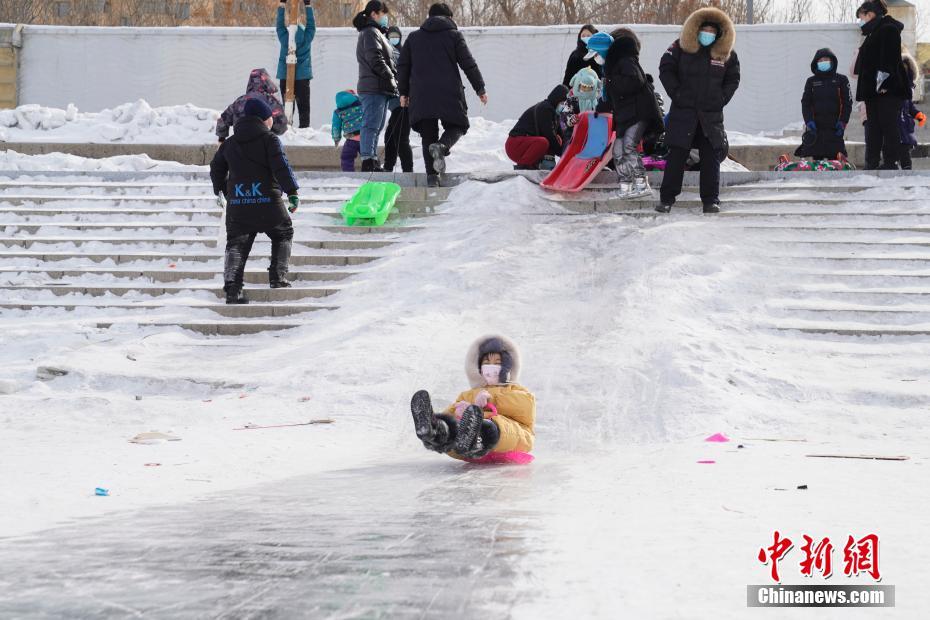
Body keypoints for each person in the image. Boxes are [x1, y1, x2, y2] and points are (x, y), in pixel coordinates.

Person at [210, 99, 300, 304]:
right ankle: (278, 277)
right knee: (283, 232)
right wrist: (292, 192)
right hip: (268, 201)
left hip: (239, 203)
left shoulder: (230, 143)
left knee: (236, 243)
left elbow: (216, 168)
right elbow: (281, 167)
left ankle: (233, 290)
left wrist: (223, 190)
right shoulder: (270, 140)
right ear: (264, 119)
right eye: (270, 118)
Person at [656, 7, 740, 214]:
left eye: (713, 31)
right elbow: (665, 69)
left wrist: (720, 99)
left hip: (710, 116)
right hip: (683, 113)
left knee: (710, 158)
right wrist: (677, 93)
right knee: (677, 156)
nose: (708, 34)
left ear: (719, 33)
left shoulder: (726, 54)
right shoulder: (679, 47)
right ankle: (667, 199)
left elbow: (733, 79)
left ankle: (710, 200)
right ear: (696, 29)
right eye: (705, 30)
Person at [397, 3, 486, 187]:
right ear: (449, 18)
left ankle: (432, 177)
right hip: (449, 92)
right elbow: (468, 63)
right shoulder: (454, 36)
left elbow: (403, 67)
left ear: (429, 17)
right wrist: (480, 88)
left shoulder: (413, 38)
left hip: (421, 94)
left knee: (428, 134)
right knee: (458, 125)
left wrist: (403, 92)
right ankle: (443, 146)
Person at [410, 335, 535, 461]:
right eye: (487, 363)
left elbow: (524, 406)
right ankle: (434, 432)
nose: (491, 367)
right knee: (453, 428)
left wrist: (490, 401)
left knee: (495, 426)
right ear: (479, 368)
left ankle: (478, 436)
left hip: (513, 438)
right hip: (464, 446)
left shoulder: (516, 390)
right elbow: (451, 411)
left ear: (507, 367)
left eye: (497, 363)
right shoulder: (469, 394)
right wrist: (454, 415)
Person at [603, 27, 664, 198]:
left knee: (629, 146)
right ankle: (626, 186)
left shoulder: (627, 61)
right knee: (617, 150)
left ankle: (641, 183)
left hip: (638, 113)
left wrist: (610, 80)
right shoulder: (613, 66)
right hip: (625, 115)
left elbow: (633, 82)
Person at [853, 0, 910, 170]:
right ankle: (872, 162)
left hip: (886, 91)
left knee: (888, 126)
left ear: (870, 14)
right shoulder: (873, 32)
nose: (860, 21)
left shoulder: (888, 29)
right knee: (874, 129)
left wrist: (885, 83)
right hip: (873, 91)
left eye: (861, 17)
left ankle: (890, 162)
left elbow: (889, 59)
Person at [353, 0, 398, 172]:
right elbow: (376, 59)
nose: (385, 18)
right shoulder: (371, 32)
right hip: (373, 86)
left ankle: (371, 158)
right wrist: (389, 77)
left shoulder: (376, 33)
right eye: (382, 14)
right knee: (371, 124)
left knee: (376, 125)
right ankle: (368, 160)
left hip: (379, 87)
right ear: (373, 14)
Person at [794, 48, 853, 161]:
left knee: (836, 161)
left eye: (826, 59)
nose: (823, 62)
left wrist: (843, 122)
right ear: (816, 63)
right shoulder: (811, 81)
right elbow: (805, 103)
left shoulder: (842, 80)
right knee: (817, 162)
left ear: (832, 61)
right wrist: (809, 121)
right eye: (820, 60)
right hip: (816, 129)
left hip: (835, 128)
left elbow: (847, 102)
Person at [506, 85, 569, 170]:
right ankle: (523, 166)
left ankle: (535, 165)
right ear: (557, 98)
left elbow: (560, 134)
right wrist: (562, 153)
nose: (563, 106)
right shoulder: (545, 109)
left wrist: (567, 149)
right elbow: (549, 135)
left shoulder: (555, 114)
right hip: (514, 145)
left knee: (555, 140)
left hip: (525, 144)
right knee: (544, 142)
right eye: (562, 103)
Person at [215, 68, 288, 142]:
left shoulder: (239, 101)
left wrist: (221, 139)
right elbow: (281, 126)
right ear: (266, 81)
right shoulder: (271, 101)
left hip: (240, 144)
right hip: (263, 145)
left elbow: (222, 121)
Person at [275, 0, 316, 129]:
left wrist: (282, 5)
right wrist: (308, 5)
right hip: (302, 78)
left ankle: (287, 131)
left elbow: (279, 25)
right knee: (304, 109)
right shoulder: (307, 37)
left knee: (287, 108)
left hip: (285, 75)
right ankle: (304, 130)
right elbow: (311, 26)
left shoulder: (285, 38)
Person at [384, 25, 413, 172]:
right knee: (390, 136)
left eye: (396, 36)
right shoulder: (387, 54)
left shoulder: (404, 54)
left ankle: (407, 171)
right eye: (391, 36)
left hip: (404, 102)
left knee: (401, 138)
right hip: (395, 104)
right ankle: (388, 167)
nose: (393, 39)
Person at [899, 50, 925, 170]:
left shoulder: (908, 89)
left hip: (905, 127)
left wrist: (918, 115)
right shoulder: (895, 86)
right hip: (894, 125)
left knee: (905, 152)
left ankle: (906, 171)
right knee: (891, 151)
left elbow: (909, 107)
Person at [331, 90, 364, 172]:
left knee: (347, 157)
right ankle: (370, 173)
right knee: (368, 156)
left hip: (351, 138)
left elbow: (336, 127)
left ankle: (349, 174)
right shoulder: (362, 103)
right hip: (364, 136)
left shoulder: (338, 112)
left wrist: (336, 139)